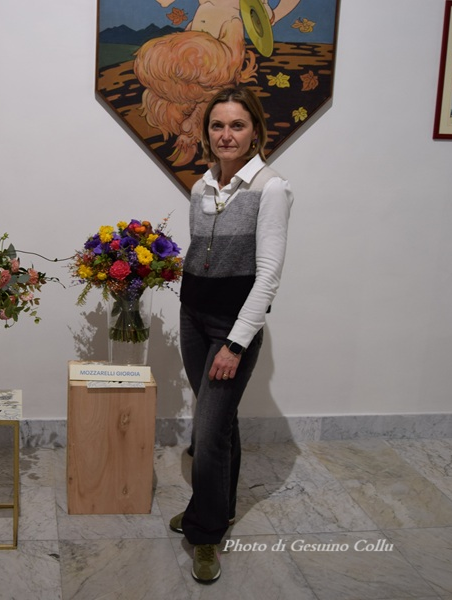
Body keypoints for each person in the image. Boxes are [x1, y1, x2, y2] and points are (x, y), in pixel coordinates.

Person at [172, 85, 293, 584]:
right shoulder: (201, 188)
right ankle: (217, 508)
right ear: (207, 132)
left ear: (255, 131)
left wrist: (236, 343)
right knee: (218, 423)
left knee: (207, 431)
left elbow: (268, 276)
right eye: (217, 125)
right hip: (193, 319)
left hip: (230, 328)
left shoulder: (272, 188)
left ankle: (205, 534)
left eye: (237, 125)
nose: (226, 135)